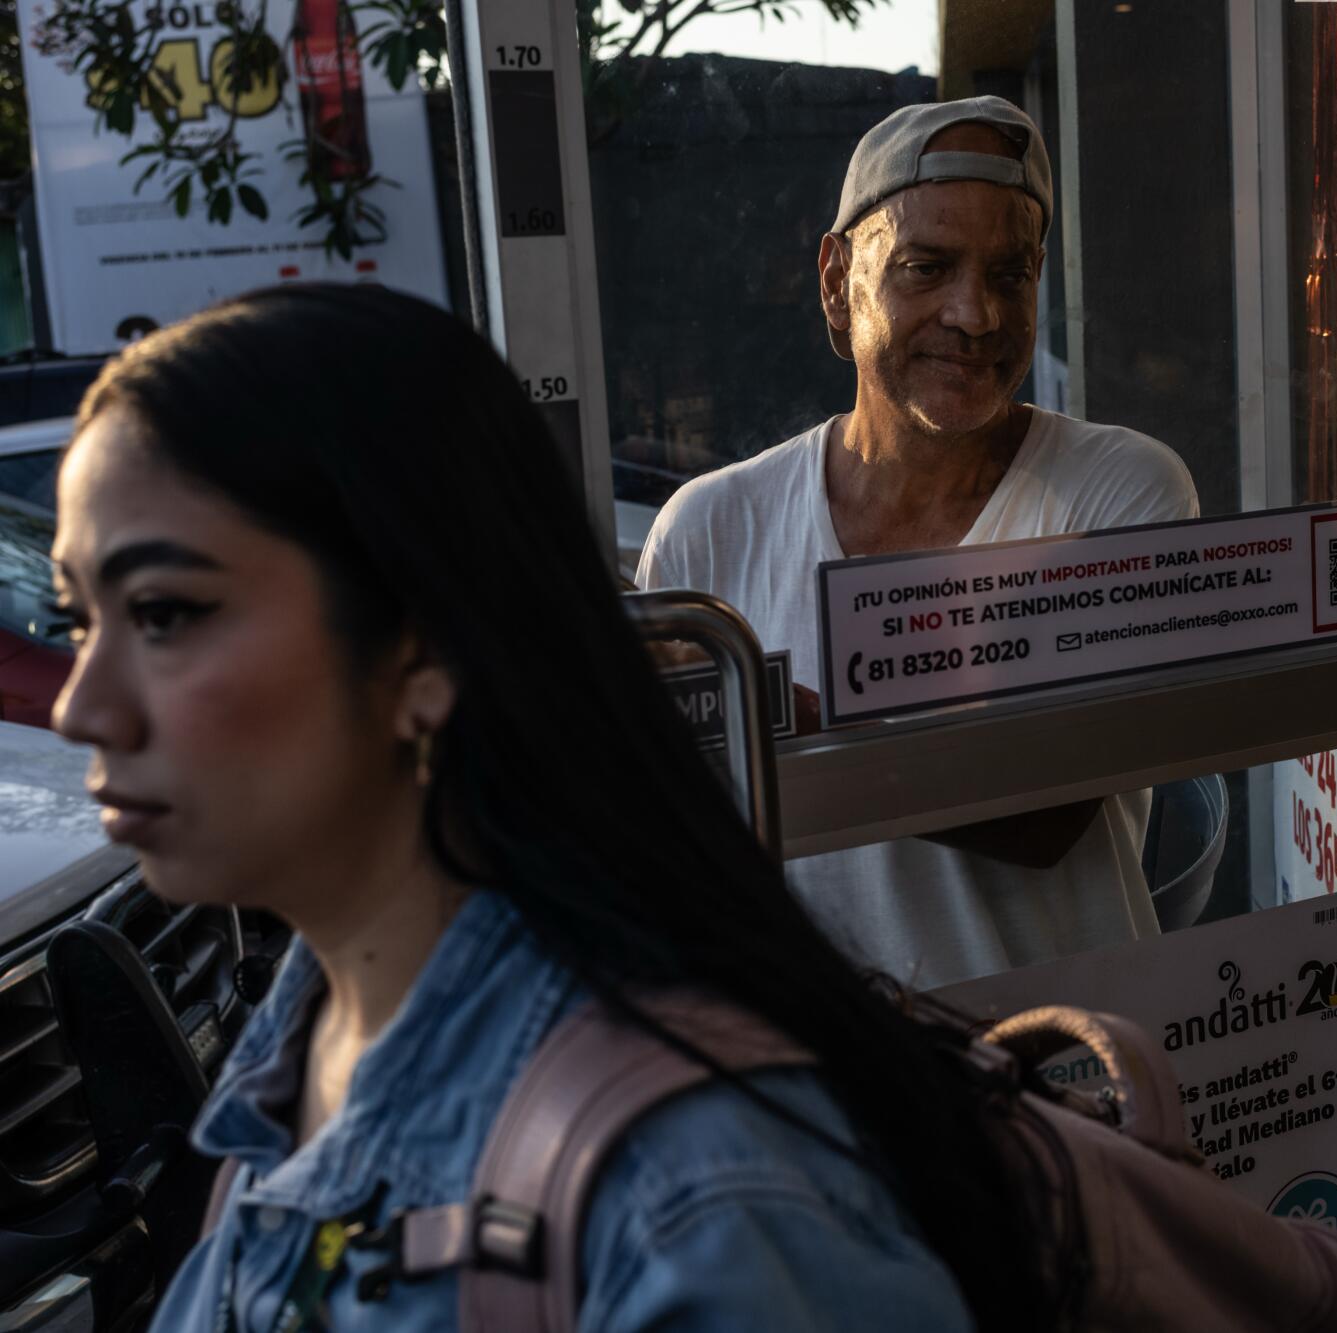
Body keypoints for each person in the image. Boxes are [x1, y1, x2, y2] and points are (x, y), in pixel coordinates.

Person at [49, 284, 1080, 1330]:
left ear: (424, 646)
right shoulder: (302, 1049)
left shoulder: (697, 1201)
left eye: (165, 613)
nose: (80, 704)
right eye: (77, 619)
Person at [638, 96, 1199, 990]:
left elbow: (1045, 810)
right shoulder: (708, 528)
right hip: (823, 1090)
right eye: (926, 266)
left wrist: (748, 705)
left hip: (1063, 1079)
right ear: (836, 281)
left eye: (1010, 274)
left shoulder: (1120, 490)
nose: (974, 314)